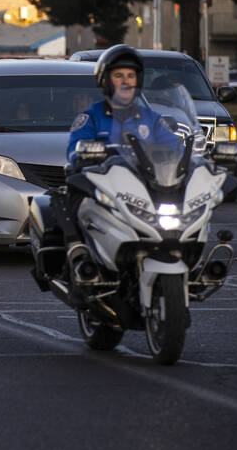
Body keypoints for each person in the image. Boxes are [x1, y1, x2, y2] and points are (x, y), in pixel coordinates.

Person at [60, 45, 179, 284]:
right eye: (118, 76)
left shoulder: (151, 118)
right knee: (67, 198)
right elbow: (74, 150)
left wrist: (192, 158)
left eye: (131, 76)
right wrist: (88, 153)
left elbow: (176, 147)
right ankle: (78, 252)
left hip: (147, 186)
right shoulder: (91, 116)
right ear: (105, 81)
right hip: (107, 186)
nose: (126, 81)